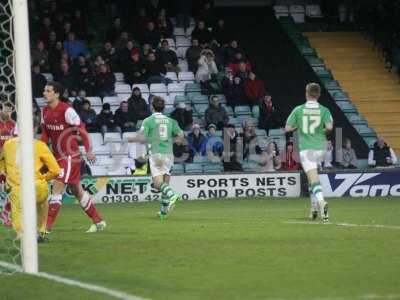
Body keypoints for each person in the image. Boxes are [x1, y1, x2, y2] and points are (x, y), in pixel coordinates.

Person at [41, 81, 106, 233]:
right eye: (44, 90)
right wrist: (41, 152)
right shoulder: (44, 111)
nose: (44, 93)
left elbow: (81, 129)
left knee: (57, 187)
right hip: (57, 156)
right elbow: (45, 133)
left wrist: (89, 150)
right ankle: (99, 221)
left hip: (70, 155)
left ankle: (46, 229)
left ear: (56, 94)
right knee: (76, 189)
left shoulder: (67, 110)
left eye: (48, 90)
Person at [0, 119, 61, 242]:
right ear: (34, 129)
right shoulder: (40, 145)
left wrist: (3, 173)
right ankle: (39, 231)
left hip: (17, 189)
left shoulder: (7, 144)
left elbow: (1, 160)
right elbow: (55, 170)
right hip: (37, 187)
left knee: (17, 209)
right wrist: (43, 178)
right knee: (42, 204)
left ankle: (22, 235)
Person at [128, 96, 184, 220]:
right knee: (165, 183)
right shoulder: (171, 121)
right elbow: (181, 136)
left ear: (152, 106)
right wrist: (172, 140)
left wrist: (131, 139)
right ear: (163, 107)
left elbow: (141, 136)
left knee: (158, 184)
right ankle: (163, 213)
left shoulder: (148, 120)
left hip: (156, 154)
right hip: (169, 154)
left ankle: (172, 195)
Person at [285, 82, 333, 222]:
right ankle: (313, 210)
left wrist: (298, 128)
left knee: (313, 178)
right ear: (318, 94)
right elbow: (329, 127)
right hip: (321, 147)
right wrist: (319, 131)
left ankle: (321, 203)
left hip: (308, 148)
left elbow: (287, 128)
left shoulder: (299, 110)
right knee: (312, 178)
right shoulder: (324, 110)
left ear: (306, 93)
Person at [0, 102, 17, 227]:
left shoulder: (13, 124)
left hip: (9, 163)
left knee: (13, 190)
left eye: (10, 110)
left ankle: (5, 213)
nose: (8, 113)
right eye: (6, 110)